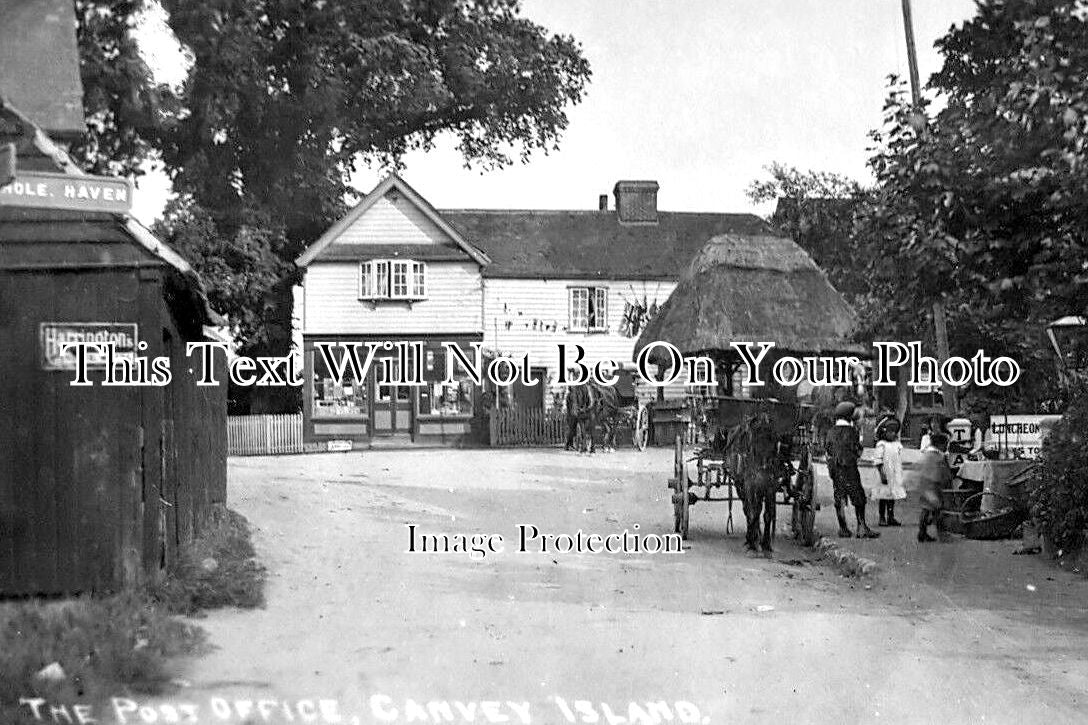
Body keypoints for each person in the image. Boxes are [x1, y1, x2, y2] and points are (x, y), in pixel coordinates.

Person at [825, 401, 879, 539]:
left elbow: (828, 450)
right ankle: (861, 527)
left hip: (836, 470)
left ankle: (843, 528)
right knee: (858, 498)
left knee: (839, 498)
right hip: (849, 468)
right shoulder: (852, 432)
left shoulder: (831, 432)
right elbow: (858, 450)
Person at [915, 431, 953, 542]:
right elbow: (941, 472)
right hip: (932, 485)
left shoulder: (928, 454)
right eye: (945, 444)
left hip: (926, 484)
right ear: (940, 444)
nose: (947, 446)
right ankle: (940, 532)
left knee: (927, 509)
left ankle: (923, 532)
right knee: (935, 508)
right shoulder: (935, 456)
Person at [870, 417, 906, 526]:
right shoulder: (881, 444)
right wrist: (882, 473)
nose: (892, 434)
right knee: (884, 496)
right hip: (885, 474)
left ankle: (891, 516)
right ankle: (882, 517)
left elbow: (898, 458)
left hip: (894, 474)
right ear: (884, 432)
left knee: (892, 497)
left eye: (894, 431)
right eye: (890, 431)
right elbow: (878, 460)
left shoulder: (897, 445)